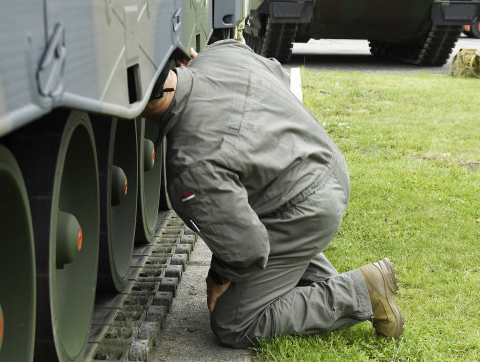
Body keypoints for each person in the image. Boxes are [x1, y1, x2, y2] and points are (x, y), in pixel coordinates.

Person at [141, 39, 404, 348]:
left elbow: (248, 249)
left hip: (306, 206)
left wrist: (219, 277)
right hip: (324, 165)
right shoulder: (221, 52)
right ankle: (332, 283)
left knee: (233, 323)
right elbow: (275, 72)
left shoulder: (191, 166)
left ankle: (361, 291)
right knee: (262, 235)